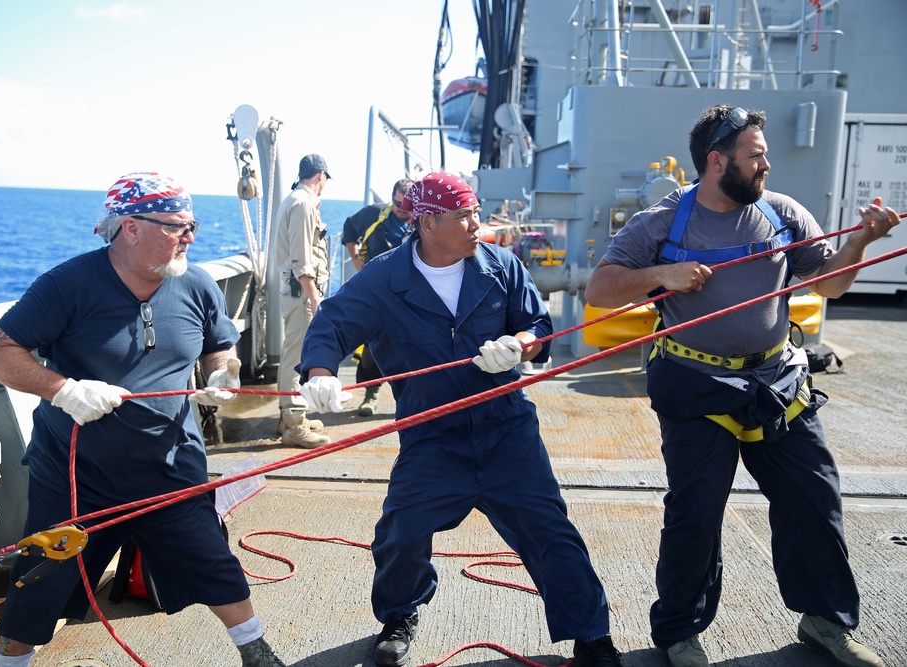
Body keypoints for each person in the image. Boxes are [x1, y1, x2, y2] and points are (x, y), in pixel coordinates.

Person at [584, 104, 898, 667]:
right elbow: (600, 291)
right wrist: (662, 274)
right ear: (716, 160)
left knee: (814, 500)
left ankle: (827, 622)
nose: (766, 165)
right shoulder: (660, 223)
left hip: (778, 380)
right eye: (755, 155)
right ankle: (679, 631)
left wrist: (861, 244)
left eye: (765, 154)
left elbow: (831, 284)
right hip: (696, 385)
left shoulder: (782, 214)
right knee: (696, 512)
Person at [296, 172, 624, 667]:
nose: (477, 225)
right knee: (402, 530)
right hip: (432, 436)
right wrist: (320, 373)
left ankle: (591, 634)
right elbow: (332, 324)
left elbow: (536, 324)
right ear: (427, 223)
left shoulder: (502, 266)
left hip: (506, 429)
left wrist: (522, 345)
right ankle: (400, 613)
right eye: (464, 216)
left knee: (550, 530)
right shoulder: (384, 278)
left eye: (476, 212)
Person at [0, 172, 285, 667]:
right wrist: (65, 390)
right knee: (42, 581)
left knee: (212, 560)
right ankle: (12, 662)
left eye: (193, 226)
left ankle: (256, 650)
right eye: (176, 226)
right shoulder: (66, 285)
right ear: (129, 228)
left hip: (170, 463)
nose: (189, 237)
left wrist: (219, 374)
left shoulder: (197, 282)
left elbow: (221, 348)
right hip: (78, 475)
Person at [274, 153, 332, 448]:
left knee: (292, 352)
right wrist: (315, 296)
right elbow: (301, 258)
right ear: (320, 176)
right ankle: (295, 424)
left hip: (294, 290)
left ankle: (291, 415)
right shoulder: (305, 203)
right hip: (301, 292)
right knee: (298, 355)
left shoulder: (294, 199)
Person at [354, 177, 415, 416]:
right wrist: (357, 261)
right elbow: (349, 231)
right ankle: (371, 395)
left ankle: (411, 399)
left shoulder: (425, 223)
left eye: (405, 205)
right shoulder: (374, 215)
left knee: (412, 348)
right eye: (396, 203)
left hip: (411, 297)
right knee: (371, 349)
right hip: (377, 295)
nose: (400, 209)